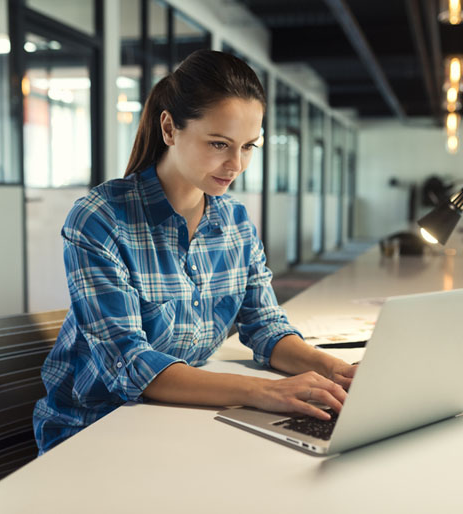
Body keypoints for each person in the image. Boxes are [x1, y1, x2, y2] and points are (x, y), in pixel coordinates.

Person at [33, 50, 356, 454]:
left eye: (249, 146)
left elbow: (265, 327)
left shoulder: (234, 222)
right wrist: (264, 392)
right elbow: (133, 366)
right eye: (219, 143)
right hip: (96, 429)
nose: (236, 164)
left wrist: (337, 371)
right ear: (169, 128)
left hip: (180, 419)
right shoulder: (100, 219)